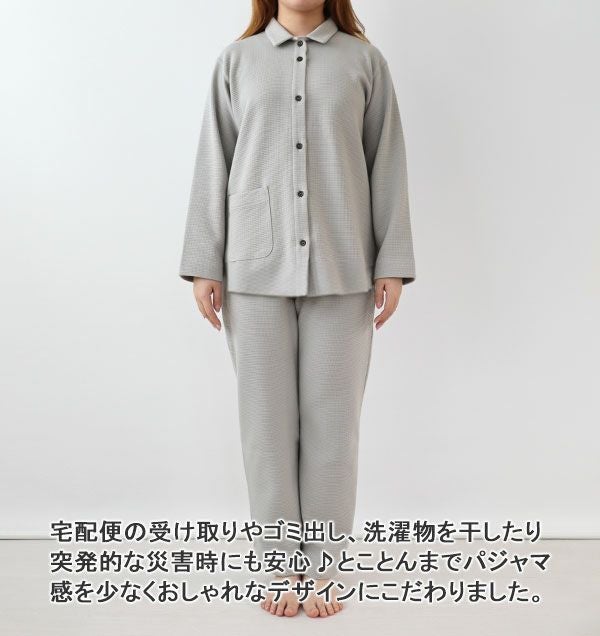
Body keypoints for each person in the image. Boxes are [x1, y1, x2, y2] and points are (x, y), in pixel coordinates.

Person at [179, 0, 416, 619]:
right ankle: (279, 565)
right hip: (253, 269)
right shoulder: (237, 62)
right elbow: (214, 160)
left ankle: (325, 568)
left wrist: (391, 260)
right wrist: (205, 262)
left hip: (344, 266)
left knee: (334, 430)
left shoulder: (364, 62)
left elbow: (386, 162)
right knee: (266, 430)